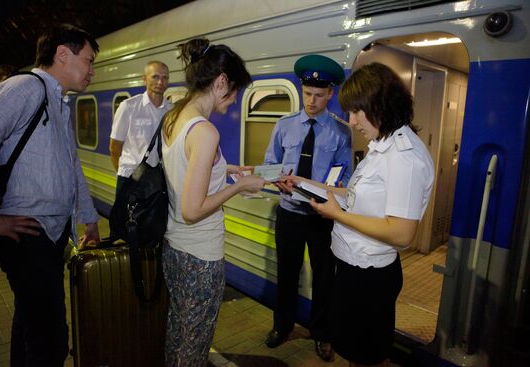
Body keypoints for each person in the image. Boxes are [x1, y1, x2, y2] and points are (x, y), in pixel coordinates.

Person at [281, 62, 435, 366]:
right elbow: (353, 196)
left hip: (370, 277)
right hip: (353, 270)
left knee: (365, 356)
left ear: (378, 106)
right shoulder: (382, 146)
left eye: (356, 112)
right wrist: (302, 183)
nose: (351, 122)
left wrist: (337, 215)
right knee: (352, 351)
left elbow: (402, 232)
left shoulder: (404, 158)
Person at [0, 24, 100, 366]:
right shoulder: (25, 88)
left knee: (29, 323)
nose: (92, 70)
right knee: (50, 340)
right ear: (63, 54)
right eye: (89, 60)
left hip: (46, 234)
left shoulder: (57, 101)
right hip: (26, 234)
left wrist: (88, 216)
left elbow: (71, 164)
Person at [161, 38, 266, 366]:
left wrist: (227, 169)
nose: (234, 102)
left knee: (179, 332)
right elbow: (192, 210)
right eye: (234, 92)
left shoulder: (175, 116)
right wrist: (239, 187)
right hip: (200, 257)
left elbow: (186, 167)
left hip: (175, 249)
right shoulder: (206, 132)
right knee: (194, 345)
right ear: (221, 82)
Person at [263, 54, 352, 362]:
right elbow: (270, 165)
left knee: (324, 278)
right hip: (289, 213)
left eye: (318, 94)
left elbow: (345, 178)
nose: (311, 101)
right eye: (307, 93)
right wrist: (277, 180)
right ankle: (283, 326)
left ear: (331, 94)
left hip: (321, 218)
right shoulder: (284, 126)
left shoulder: (341, 133)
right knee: (286, 274)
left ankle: (322, 334)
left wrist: (327, 197)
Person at [109, 61, 173, 192]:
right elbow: (114, 148)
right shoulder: (128, 107)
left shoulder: (171, 111)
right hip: (131, 178)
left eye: (164, 78)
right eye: (155, 77)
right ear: (144, 79)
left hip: (158, 180)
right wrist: (128, 176)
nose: (160, 82)